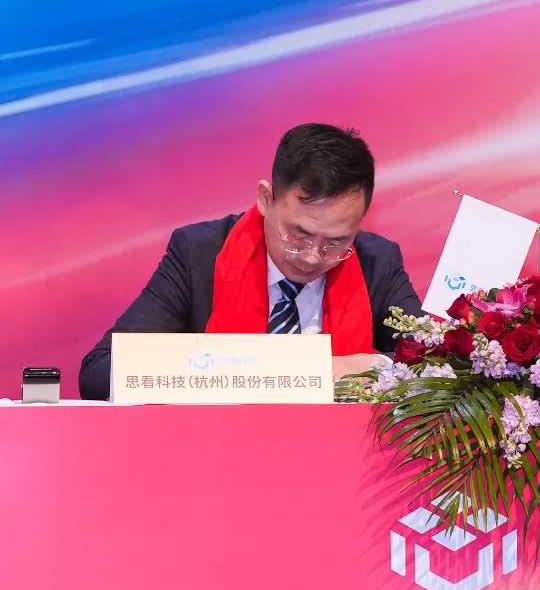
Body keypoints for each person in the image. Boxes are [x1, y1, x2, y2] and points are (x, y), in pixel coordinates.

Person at [79, 123, 422, 400]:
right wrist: (259, 373)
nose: (311, 256)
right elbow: (100, 371)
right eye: (298, 234)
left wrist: (377, 366)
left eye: (336, 242)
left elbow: (437, 367)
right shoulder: (198, 254)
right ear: (266, 199)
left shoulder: (377, 261)